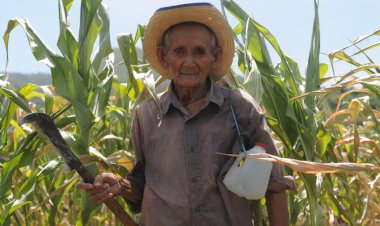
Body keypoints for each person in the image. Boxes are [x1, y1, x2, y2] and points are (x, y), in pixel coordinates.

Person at [79, 3, 294, 226]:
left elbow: (275, 183)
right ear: (164, 56)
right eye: (179, 51)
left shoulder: (239, 107)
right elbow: (143, 184)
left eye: (199, 52)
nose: (189, 62)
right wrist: (121, 186)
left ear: (215, 57)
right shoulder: (147, 115)